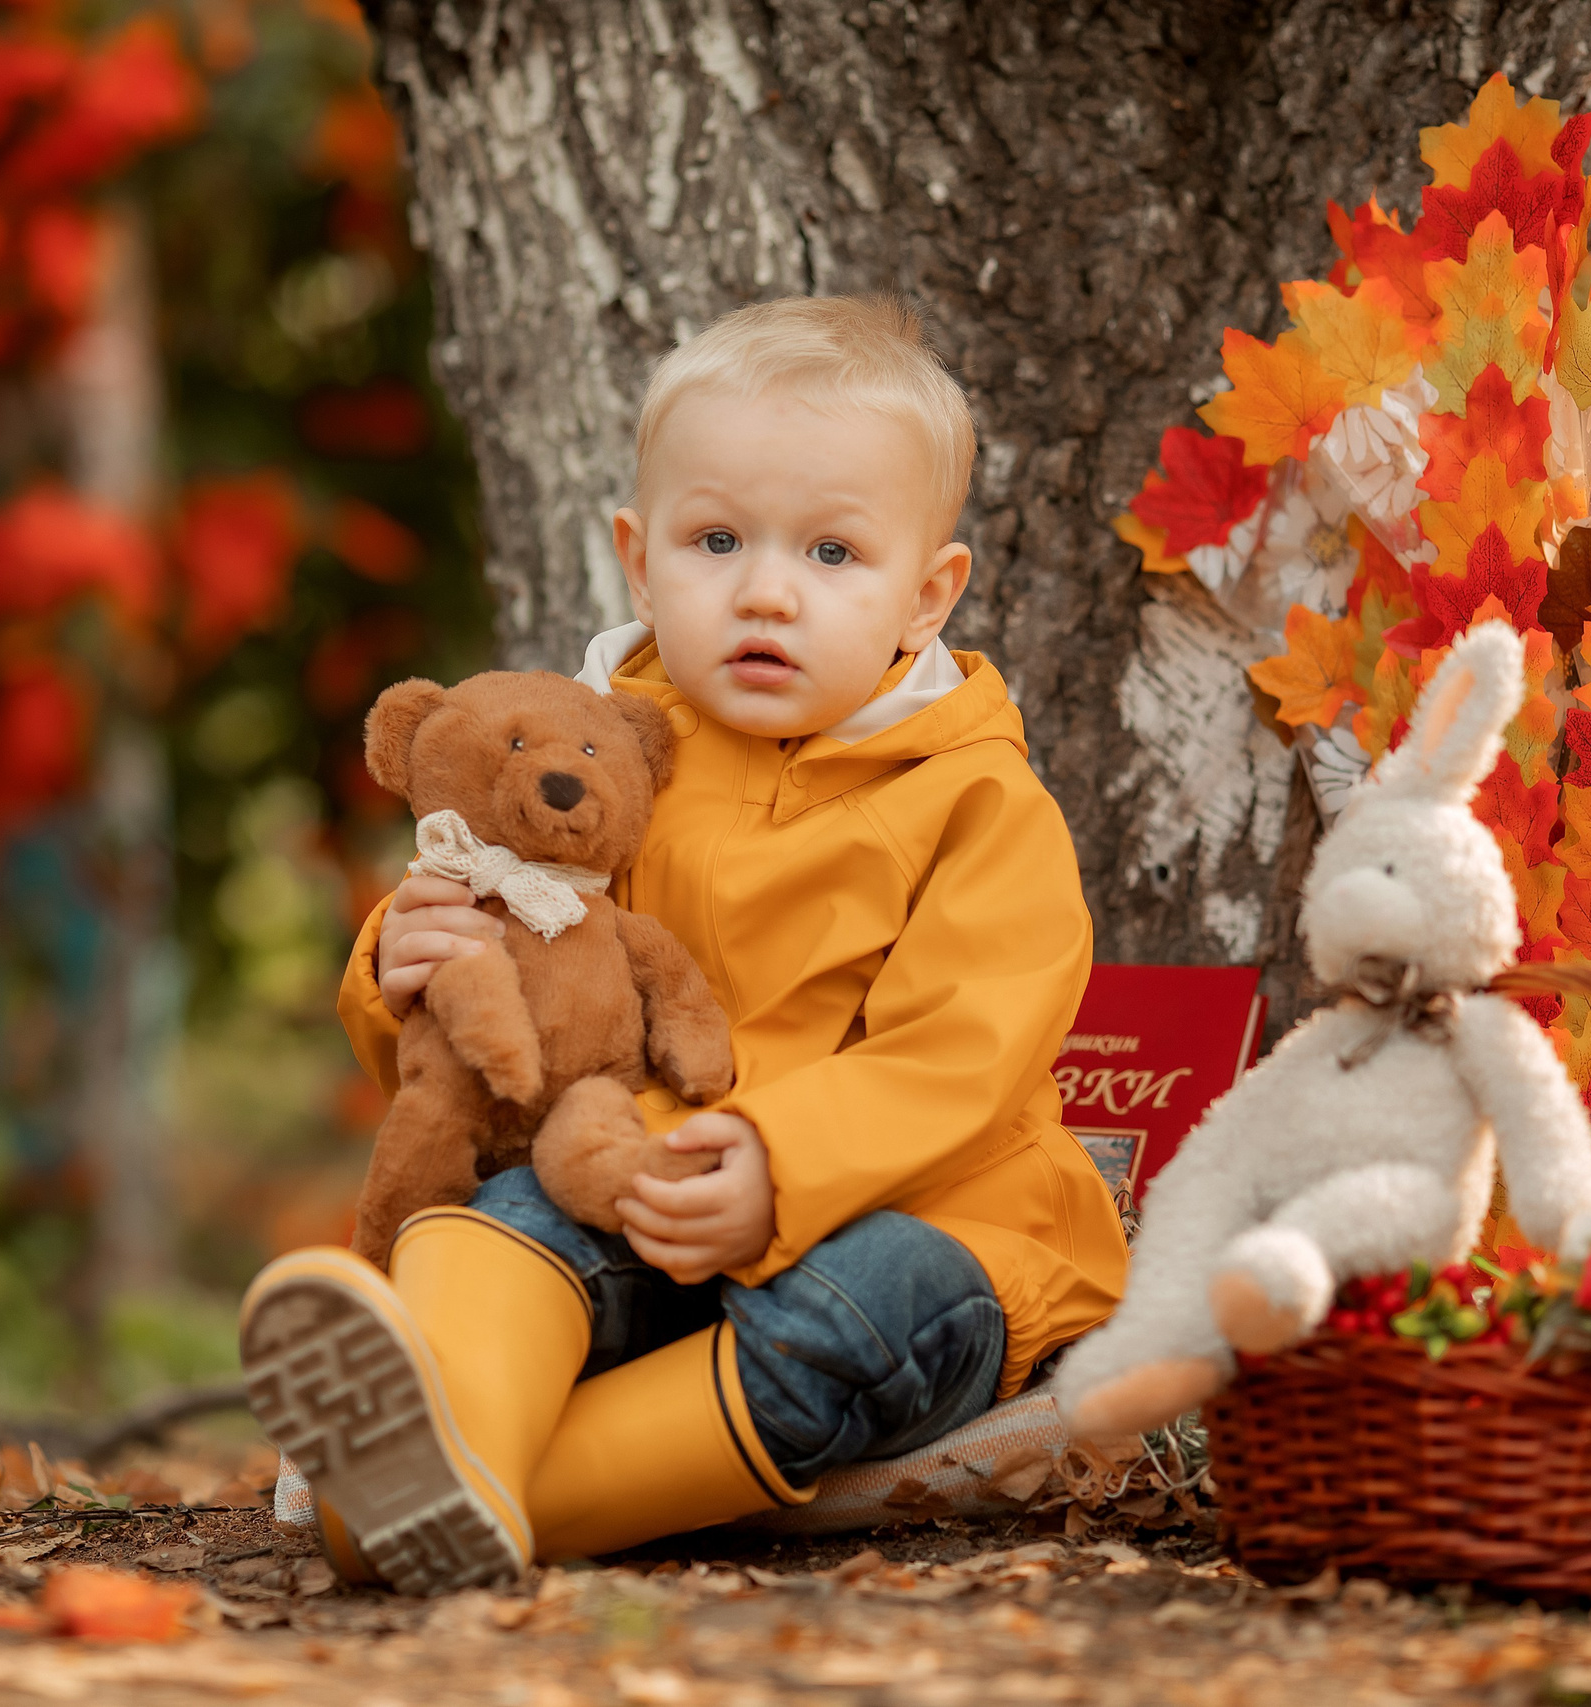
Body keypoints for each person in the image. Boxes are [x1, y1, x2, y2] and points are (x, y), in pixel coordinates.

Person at [238, 295, 1127, 1594]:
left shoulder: (977, 799)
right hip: (639, 1176)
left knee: (859, 1309)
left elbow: (963, 1055)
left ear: (925, 597)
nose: (768, 589)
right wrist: (402, 960)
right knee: (518, 1209)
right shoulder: (605, 762)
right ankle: (451, 1441)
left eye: (833, 555)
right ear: (642, 562)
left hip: (925, 1219)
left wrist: (784, 1162)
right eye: (718, 540)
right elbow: (514, 978)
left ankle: (455, 1504)